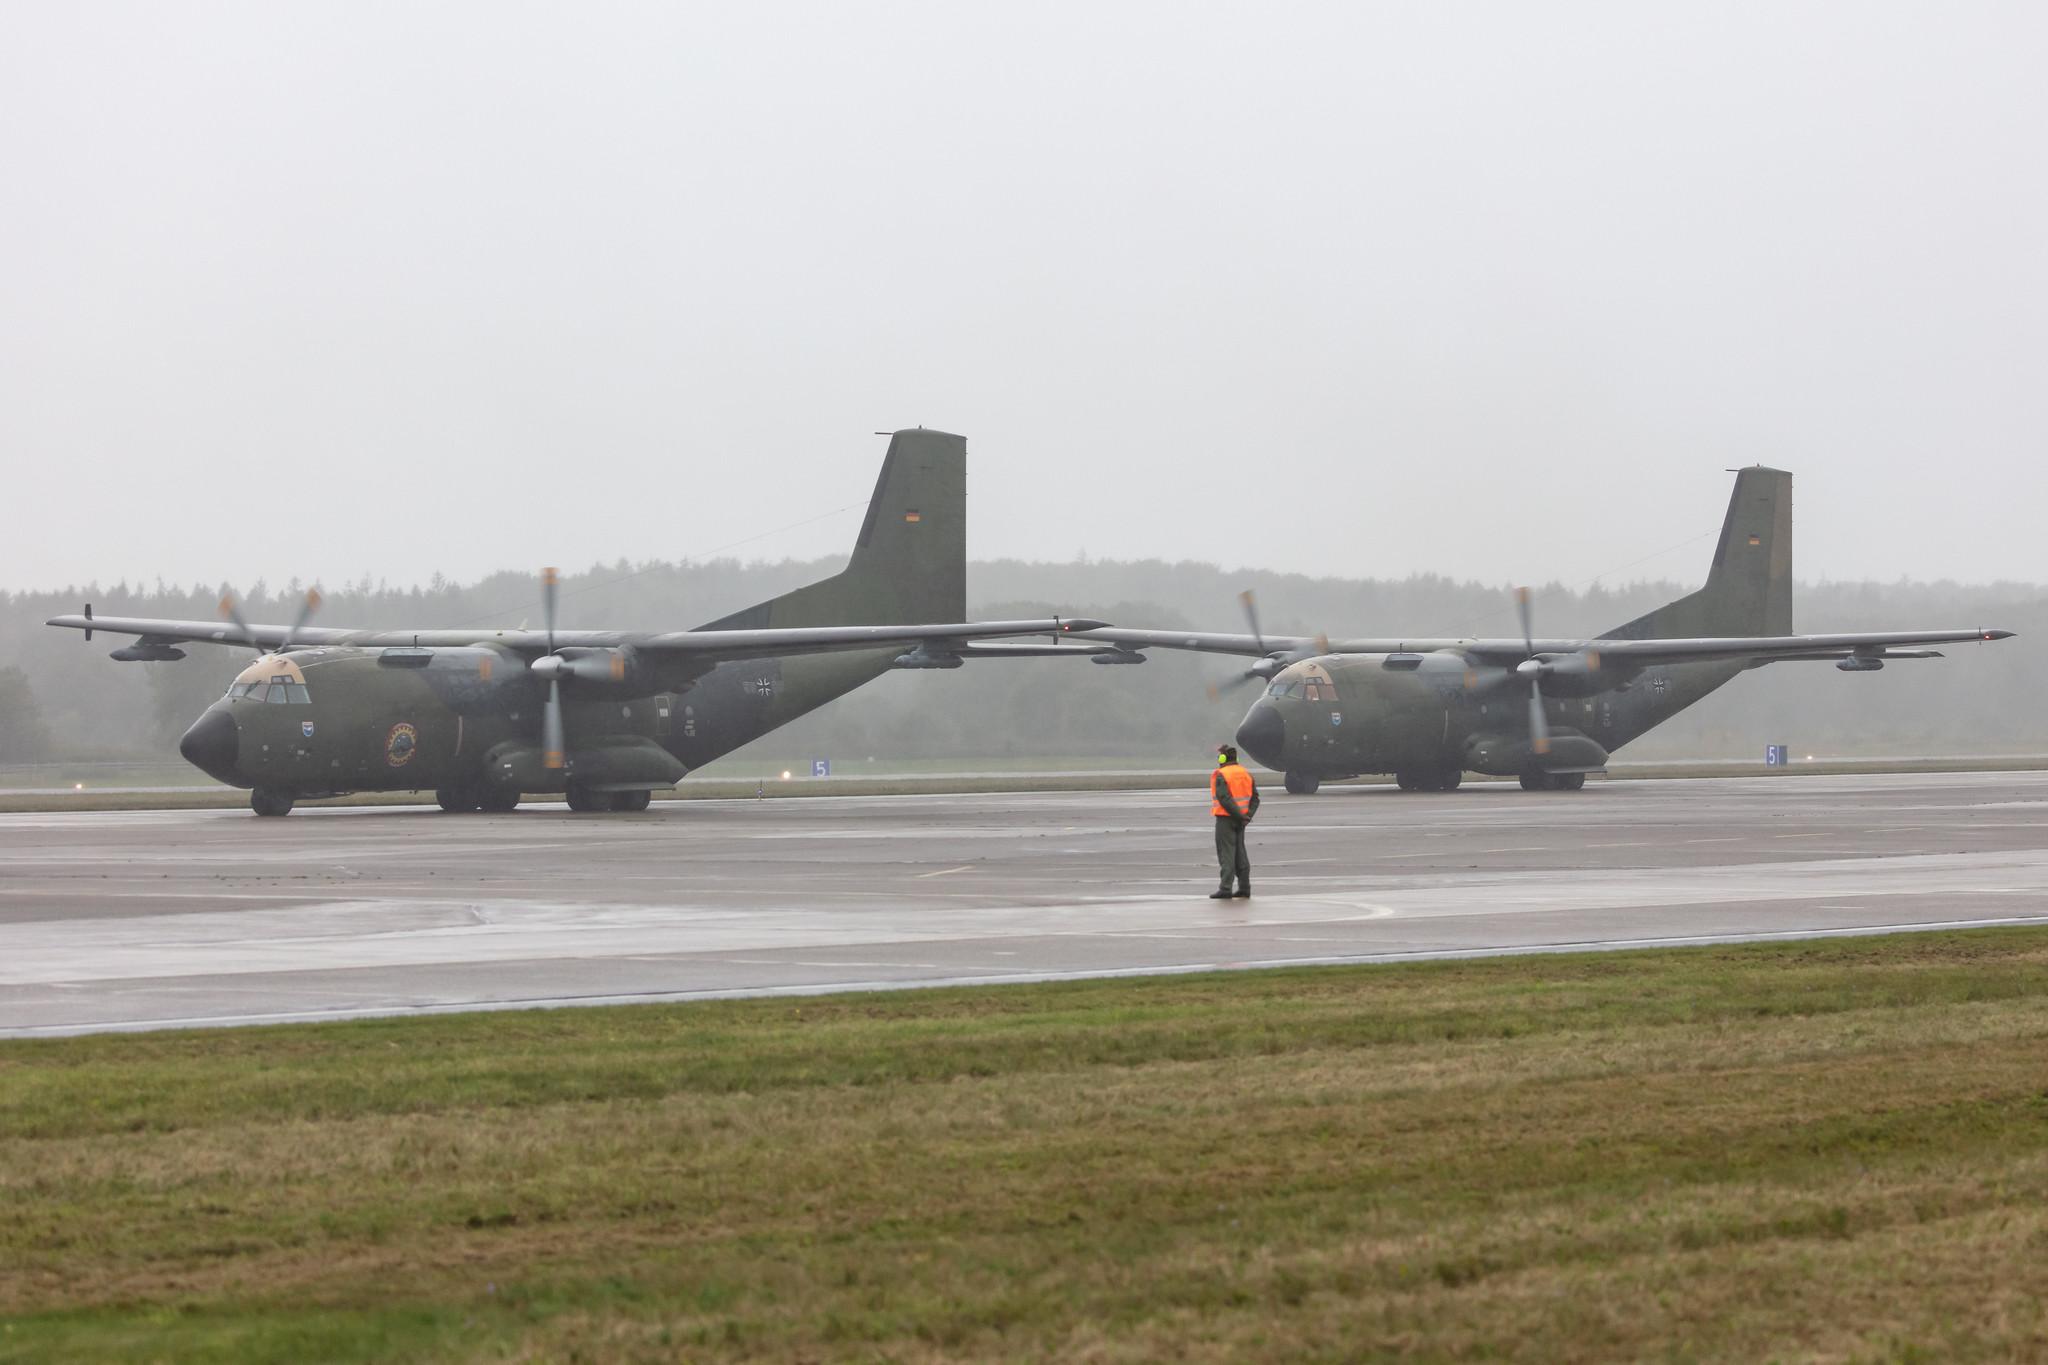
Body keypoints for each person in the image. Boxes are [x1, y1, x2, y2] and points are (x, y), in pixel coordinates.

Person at [1208, 743, 1260, 899]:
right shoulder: (1246, 774)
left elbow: (1224, 798)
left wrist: (1239, 815)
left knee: (1227, 854)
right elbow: (1255, 799)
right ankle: (1244, 887)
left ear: (1223, 757)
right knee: (1240, 854)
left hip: (1226, 819)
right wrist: (1247, 816)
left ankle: (1225, 888)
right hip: (1241, 821)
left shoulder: (1222, 774)